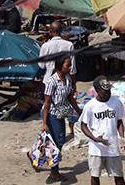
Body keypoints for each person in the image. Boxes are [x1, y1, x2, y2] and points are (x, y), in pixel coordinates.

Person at [80, 76, 125, 185]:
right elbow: (83, 125)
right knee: (95, 176)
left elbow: (119, 122)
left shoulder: (116, 102)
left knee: (118, 175)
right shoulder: (90, 106)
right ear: (97, 91)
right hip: (96, 149)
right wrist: (95, 139)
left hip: (112, 146)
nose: (108, 93)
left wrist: (122, 138)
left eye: (109, 90)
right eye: (104, 91)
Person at [42, 56, 82, 184]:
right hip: (53, 114)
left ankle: (35, 155)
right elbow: (47, 103)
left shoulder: (68, 79)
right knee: (58, 141)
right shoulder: (52, 81)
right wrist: (44, 123)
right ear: (60, 66)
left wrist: (79, 111)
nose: (70, 68)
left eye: (70, 65)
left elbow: (70, 97)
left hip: (63, 112)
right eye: (67, 65)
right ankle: (54, 172)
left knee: (55, 140)